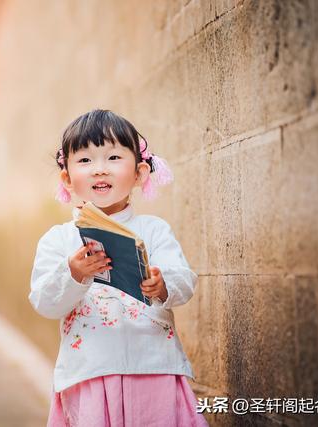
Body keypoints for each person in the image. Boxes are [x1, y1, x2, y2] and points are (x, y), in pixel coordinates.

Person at [29, 110, 209, 426]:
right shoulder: (59, 240)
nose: (100, 170)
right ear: (67, 178)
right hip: (91, 371)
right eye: (85, 161)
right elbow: (44, 301)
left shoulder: (154, 230)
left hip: (154, 367)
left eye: (113, 157)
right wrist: (74, 273)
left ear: (140, 173)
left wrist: (162, 284)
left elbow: (184, 281)